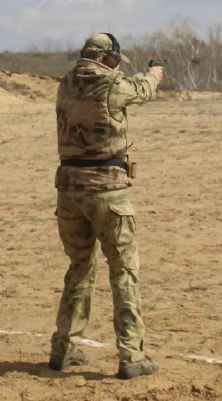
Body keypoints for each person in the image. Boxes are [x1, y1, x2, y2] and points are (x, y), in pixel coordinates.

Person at [49, 32, 165, 380]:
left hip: (69, 190)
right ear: (107, 58)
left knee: (79, 269)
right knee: (124, 272)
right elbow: (141, 90)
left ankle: (63, 350)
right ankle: (132, 355)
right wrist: (155, 74)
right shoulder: (110, 82)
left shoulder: (65, 83)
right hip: (106, 190)